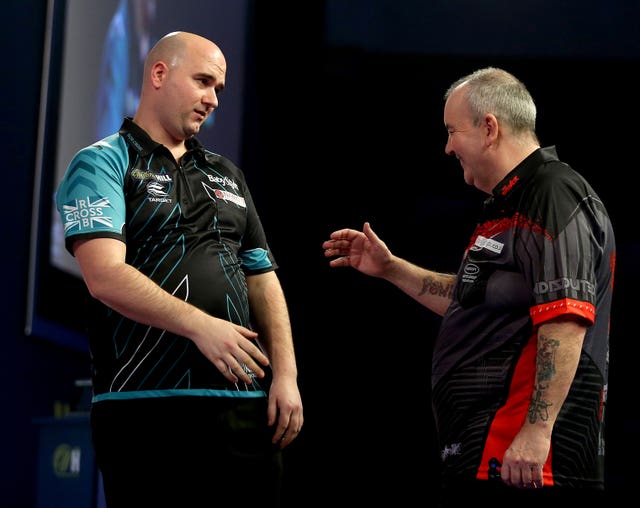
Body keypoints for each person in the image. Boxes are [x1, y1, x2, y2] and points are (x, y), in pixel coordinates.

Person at [322, 67, 614, 507]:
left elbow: (566, 320)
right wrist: (391, 268)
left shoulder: (553, 192)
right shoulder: (509, 202)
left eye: (451, 131)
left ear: (489, 127)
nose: (447, 146)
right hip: (485, 453)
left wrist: (535, 434)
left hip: (526, 464)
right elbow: (475, 301)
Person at [55, 31, 303, 507]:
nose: (213, 99)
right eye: (204, 81)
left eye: (220, 89)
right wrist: (201, 327)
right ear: (159, 74)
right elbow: (104, 275)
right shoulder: (102, 162)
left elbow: (262, 277)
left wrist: (287, 377)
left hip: (243, 411)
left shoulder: (226, 174)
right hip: (145, 411)